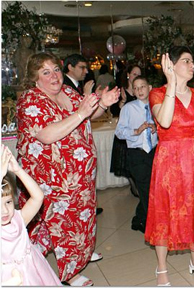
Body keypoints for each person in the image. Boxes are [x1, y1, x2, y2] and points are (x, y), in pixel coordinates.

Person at [16, 52, 120, 286]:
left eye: (55, 69)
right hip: (50, 180)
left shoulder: (69, 93)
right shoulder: (30, 100)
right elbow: (46, 134)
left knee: (77, 222)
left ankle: (59, 259)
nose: (54, 76)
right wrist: (81, 112)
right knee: (64, 224)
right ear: (35, 78)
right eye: (45, 72)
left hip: (78, 179)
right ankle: (70, 272)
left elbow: (89, 116)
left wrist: (103, 103)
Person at [145, 46, 194, 286]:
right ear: (171, 65)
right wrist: (171, 87)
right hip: (169, 161)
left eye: (192, 61)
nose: (192, 65)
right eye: (186, 61)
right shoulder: (157, 93)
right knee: (165, 212)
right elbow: (164, 121)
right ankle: (161, 267)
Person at [1, 145, 62, 286]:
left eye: (8, 202)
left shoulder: (18, 219)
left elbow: (38, 197)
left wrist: (18, 171)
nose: (4, 211)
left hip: (33, 272)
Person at [115, 76, 157, 234]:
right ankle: (151, 226)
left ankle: (139, 218)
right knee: (145, 189)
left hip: (154, 152)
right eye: (136, 88)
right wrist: (136, 131)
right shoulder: (128, 108)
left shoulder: (157, 106)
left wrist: (156, 129)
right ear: (132, 90)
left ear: (150, 87)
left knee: (153, 188)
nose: (140, 90)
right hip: (137, 154)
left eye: (143, 86)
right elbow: (119, 132)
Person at [63, 54, 104, 216]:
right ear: (70, 67)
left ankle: (87, 207)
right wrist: (86, 95)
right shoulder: (64, 86)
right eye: (82, 67)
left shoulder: (75, 84)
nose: (86, 71)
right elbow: (74, 113)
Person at [109, 65, 143, 198]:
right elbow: (114, 112)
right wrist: (122, 102)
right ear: (128, 75)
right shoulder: (121, 91)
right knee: (130, 168)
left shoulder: (142, 90)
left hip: (140, 136)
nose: (137, 77)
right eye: (134, 74)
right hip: (126, 136)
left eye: (139, 74)